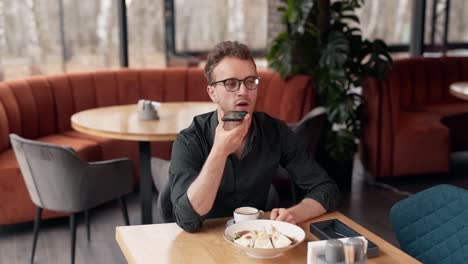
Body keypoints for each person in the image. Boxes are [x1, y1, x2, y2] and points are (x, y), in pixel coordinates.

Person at [169, 41, 339, 232]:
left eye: (250, 81)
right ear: (213, 93)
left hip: (254, 240)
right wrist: (219, 152)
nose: (243, 91)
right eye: (231, 83)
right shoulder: (190, 140)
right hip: (205, 242)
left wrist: (294, 214)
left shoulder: (275, 131)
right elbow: (187, 219)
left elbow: (326, 189)